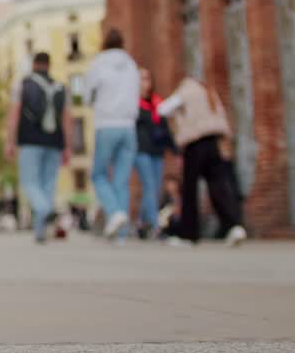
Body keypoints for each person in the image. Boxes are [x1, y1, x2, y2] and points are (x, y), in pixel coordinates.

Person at [158, 77, 247, 246]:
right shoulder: (209, 93)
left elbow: (163, 109)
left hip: (194, 143)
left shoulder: (186, 91)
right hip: (213, 142)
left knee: (189, 189)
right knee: (218, 185)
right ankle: (234, 225)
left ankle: (189, 234)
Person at [5, 52, 73, 244]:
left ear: (33, 64)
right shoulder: (61, 87)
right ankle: (40, 231)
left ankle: (44, 210)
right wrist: (68, 146)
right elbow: (68, 118)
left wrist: (10, 141)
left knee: (30, 182)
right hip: (54, 142)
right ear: (49, 65)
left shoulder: (23, 85)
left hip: (29, 140)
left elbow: (14, 114)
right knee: (48, 184)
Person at [86, 28, 140, 240]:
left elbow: (88, 96)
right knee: (121, 180)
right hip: (129, 126)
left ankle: (115, 212)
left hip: (106, 124)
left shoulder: (99, 64)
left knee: (98, 174)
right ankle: (121, 234)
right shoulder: (131, 65)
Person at [134, 67, 176, 239]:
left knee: (154, 188)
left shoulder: (158, 103)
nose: (145, 83)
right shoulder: (132, 104)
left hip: (157, 151)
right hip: (141, 149)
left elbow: (165, 129)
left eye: (147, 78)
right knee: (150, 185)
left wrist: (174, 149)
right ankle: (154, 225)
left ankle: (142, 223)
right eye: (141, 79)